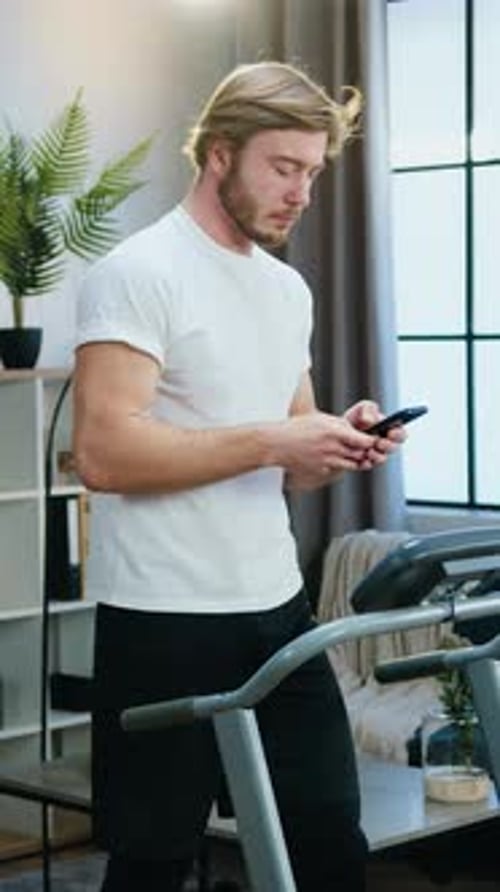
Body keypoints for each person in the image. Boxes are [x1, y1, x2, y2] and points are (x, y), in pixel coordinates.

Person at [73, 61, 406, 892]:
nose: (301, 193)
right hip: (164, 618)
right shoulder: (139, 272)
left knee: (330, 840)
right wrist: (274, 439)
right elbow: (105, 455)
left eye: (313, 173)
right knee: (152, 861)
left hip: (277, 611)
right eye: (284, 168)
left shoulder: (286, 289)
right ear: (219, 154)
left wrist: (338, 440)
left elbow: (291, 462)